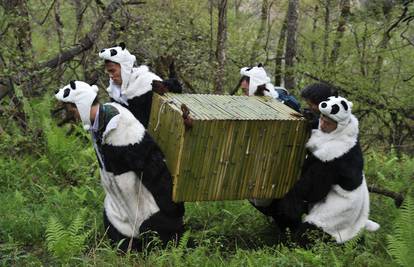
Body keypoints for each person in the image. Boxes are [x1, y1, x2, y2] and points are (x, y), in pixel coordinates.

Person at [55, 80, 185, 252]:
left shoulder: (122, 129)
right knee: (119, 238)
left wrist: (170, 207)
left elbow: (153, 168)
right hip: (121, 203)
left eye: (73, 110)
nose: (74, 116)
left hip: (145, 202)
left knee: (158, 241)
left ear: (82, 104)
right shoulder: (98, 124)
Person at [253, 96, 379, 245]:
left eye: (328, 122)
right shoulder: (343, 128)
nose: (322, 124)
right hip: (339, 187)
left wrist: (290, 197)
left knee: (306, 239)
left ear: (339, 125)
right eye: (322, 118)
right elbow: (316, 130)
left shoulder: (336, 153)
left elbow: (314, 191)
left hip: (343, 201)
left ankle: (351, 241)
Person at [98, 42, 181, 128]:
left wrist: (168, 86)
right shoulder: (114, 91)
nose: (110, 76)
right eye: (108, 72)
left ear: (124, 68)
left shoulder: (146, 81)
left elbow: (176, 89)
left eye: (112, 71)